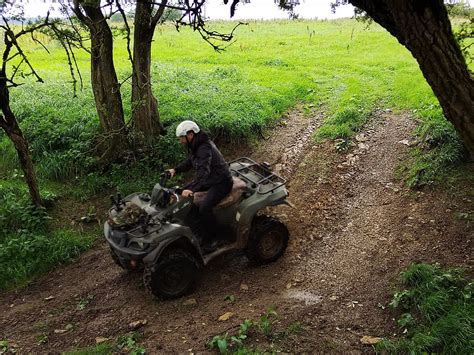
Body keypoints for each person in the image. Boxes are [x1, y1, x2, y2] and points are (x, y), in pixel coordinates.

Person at [168, 120, 233, 249]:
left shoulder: (204, 148)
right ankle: (200, 231)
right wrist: (175, 170)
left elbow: (203, 173)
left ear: (190, 134)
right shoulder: (196, 145)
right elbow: (191, 161)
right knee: (180, 193)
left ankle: (218, 236)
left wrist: (192, 189)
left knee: (204, 208)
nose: (180, 141)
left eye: (181, 137)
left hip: (221, 182)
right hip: (211, 179)